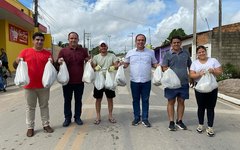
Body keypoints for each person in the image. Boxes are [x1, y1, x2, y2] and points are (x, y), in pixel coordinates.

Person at [13, 32, 54, 137]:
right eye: (37, 39)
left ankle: (46, 125)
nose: (39, 41)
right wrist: (16, 61)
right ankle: (30, 127)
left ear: (43, 41)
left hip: (44, 86)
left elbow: (53, 69)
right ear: (33, 40)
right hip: (29, 86)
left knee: (44, 106)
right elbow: (14, 66)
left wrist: (54, 62)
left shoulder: (48, 54)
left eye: (41, 40)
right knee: (30, 107)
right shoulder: (25, 52)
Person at [123, 34, 158, 128]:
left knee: (145, 100)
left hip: (146, 81)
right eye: (138, 40)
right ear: (135, 41)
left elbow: (154, 64)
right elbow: (125, 64)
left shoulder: (151, 52)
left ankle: (145, 118)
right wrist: (119, 65)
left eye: (142, 40)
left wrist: (161, 67)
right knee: (135, 100)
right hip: (134, 81)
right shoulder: (130, 52)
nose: (140, 42)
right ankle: (136, 118)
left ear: (145, 42)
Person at [57, 32, 90, 127]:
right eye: (71, 38)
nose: (73, 40)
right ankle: (67, 118)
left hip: (79, 81)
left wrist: (89, 60)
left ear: (78, 39)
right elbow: (57, 63)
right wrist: (59, 61)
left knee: (78, 100)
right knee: (67, 100)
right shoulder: (63, 51)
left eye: (75, 38)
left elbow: (88, 60)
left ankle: (77, 117)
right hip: (66, 81)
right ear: (68, 40)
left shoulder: (83, 51)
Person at [189, 45, 222, 137]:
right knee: (201, 107)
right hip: (199, 88)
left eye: (203, 51)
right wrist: (199, 74)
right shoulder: (195, 63)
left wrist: (213, 70)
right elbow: (191, 75)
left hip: (212, 88)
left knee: (211, 107)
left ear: (206, 52)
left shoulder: (213, 61)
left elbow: (220, 72)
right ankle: (200, 125)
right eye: (199, 52)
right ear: (197, 54)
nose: (201, 53)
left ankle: (210, 127)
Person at [161, 36, 192, 131]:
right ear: (171, 44)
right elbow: (163, 68)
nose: (176, 44)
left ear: (181, 43)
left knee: (181, 101)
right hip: (171, 84)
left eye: (178, 42)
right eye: (174, 42)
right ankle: (171, 122)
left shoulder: (186, 53)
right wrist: (168, 70)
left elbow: (190, 66)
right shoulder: (167, 54)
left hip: (183, 83)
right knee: (171, 101)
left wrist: (191, 78)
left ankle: (179, 120)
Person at [91, 41, 119, 125]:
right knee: (98, 99)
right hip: (99, 80)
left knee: (110, 99)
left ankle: (110, 116)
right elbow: (93, 67)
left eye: (104, 46)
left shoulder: (112, 56)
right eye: (101, 46)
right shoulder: (96, 57)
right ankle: (98, 116)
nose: (103, 48)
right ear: (99, 48)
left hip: (109, 80)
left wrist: (113, 67)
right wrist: (94, 66)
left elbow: (117, 65)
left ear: (107, 47)